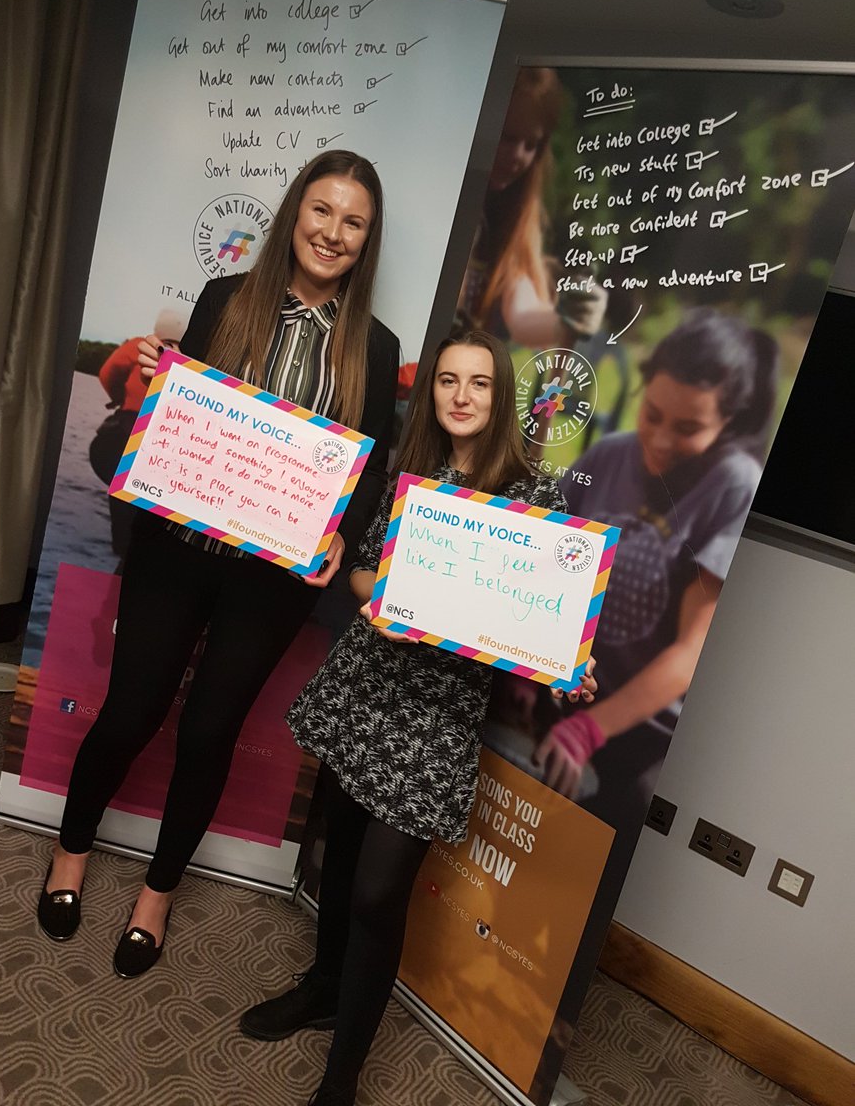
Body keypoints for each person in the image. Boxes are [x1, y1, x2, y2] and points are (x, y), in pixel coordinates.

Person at [36, 150, 400, 976]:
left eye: (353, 222)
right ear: (294, 214)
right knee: (131, 714)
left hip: (271, 583)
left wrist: (344, 531)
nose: (333, 233)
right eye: (321, 211)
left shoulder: (375, 346)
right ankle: (69, 853)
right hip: (178, 550)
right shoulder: (225, 299)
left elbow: (369, 465)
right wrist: (162, 394)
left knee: (208, 733)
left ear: (366, 240)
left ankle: (156, 896)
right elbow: (177, 420)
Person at [238, 332, 597, 1106]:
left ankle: (343, 1078)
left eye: (478, 383)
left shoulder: (538, 501)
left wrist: (569, 662)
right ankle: (323, 986)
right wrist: (382, 594)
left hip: (436, 719)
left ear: (504, 398)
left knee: (377, 895)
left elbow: (545, 626)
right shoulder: (414, 480)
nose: (460, 396)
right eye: (445, 381)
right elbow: (364, 570)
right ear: (431, 392)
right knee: (335, 857)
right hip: (366, 688)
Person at [522, 311, 778, 854]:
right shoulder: (611, 454)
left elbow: (691, 652)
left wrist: (589, 730)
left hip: (642, 733)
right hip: (569, 687)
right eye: (652, 414)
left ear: (727, 423)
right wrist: (528, 668)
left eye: (687, 428)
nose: (659, 441)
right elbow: (549, 571)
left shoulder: (733, 487)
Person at [454, 67, 607, 349]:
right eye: (508, 137)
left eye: (531, 144)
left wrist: (567, 318)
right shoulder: (441, 194)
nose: (518, 156)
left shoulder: (518, 220)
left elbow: (523, 317)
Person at [89, 308, 186, 558]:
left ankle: (121, 553)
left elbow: (107, 374)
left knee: (125, 515)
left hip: (122, 438)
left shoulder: (138, 346)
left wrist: (120, 398)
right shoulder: (191, 361)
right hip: (152, 447)